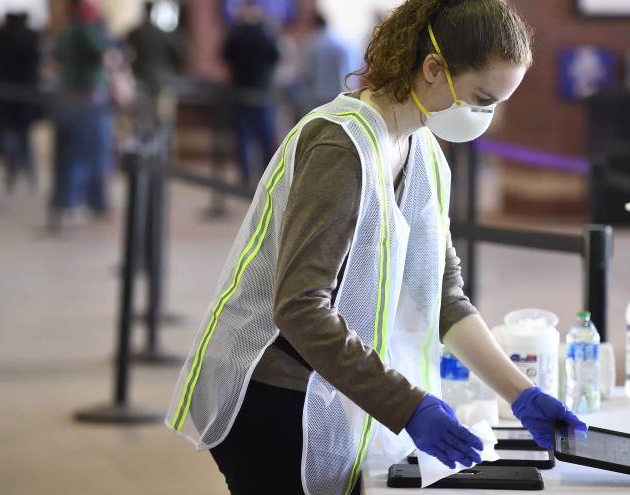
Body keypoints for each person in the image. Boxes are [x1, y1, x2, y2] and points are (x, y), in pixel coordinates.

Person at [166, 1, 586, 494]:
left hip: (334, 385)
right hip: (273, 392)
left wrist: (521, 394)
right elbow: (300, 308)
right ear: (433, 68)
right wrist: (408, 405)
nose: (485, 117)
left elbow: (446, 300)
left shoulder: (422, 149)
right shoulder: (341, 147)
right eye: (481, 98)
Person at [51, 0, 113, 227]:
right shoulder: (86, 30)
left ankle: (68, 199)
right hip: (88, 99)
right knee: (86, 151)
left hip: (69, 97)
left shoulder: (65, 31)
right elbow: (103, 52)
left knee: (71, 152)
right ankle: (77, 201)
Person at [220, 1, 279, 186]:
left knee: (243, 136)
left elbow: (225, 56)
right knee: (266, 135)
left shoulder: (235, 33)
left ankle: (245, 176)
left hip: (240, 92)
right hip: (262, 92)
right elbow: (275, 57)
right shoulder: (265, 33)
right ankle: (267, 176)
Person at [0, 12, 41, 193]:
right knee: (23, 136)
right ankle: (26, 173)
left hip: (7, 95)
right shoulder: (30, 38)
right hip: (21, 95)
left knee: (12, 134)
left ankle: (15, 169)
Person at [299, 12, 355, 112]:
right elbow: (347, 68)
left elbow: (307, 71)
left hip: (318, 93)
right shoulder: (339, 43)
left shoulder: (312, 44)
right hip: (337, 92)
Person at [125, 1, 184, 95]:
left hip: (140, 74)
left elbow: (125, 52)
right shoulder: (163, 34)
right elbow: (178, 54)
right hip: (162, 77)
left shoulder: (135, 33)